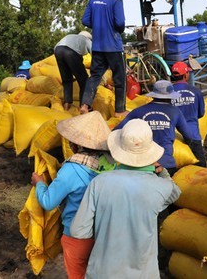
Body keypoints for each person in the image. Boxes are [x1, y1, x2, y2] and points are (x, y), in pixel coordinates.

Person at [70, 118, 181, 279]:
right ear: (149, 152)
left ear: (119, 149)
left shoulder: (99, 182)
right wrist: (162, 172)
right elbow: (175, 192)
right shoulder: (160, 187)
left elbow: (78, 231)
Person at [31, 111, 115, 279]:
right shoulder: (114, 165)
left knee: (77, 274)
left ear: (75, 145)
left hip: (78, 236)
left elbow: (48, 202)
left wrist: (39, 183)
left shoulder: (71, 169)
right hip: (107, 233)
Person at [114, 80, 196, 176]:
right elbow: (189, 136)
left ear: (153, 96)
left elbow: (116, 131)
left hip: (142, 166)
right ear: (171, 97)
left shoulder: (138, 112)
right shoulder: (175, 112)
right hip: (166, 164)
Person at [80, 0, 128, 117]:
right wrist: (117, 29)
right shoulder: (116, 0)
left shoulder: (93, 0)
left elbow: (85, 20)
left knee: (94, 76)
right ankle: (120, 110)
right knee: (120, 78)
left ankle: (85, 104)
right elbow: (119, 23)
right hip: (113, 46)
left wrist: (98, 25)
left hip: (97, 46)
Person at [170, 61, 206, 167]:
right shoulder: (196, 91)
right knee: (201, 168)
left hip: (173, 137)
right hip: (193, 135)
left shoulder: (166, 93)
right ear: (186, 75)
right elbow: (201, 113)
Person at [54, 31, 93, 111]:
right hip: (70, 52)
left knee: (67, 80)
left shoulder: (71, 36)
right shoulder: (87, 40)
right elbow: (96, 57)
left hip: (58, 50)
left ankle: (66, 105)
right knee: (84, 81)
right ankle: (83, 106)